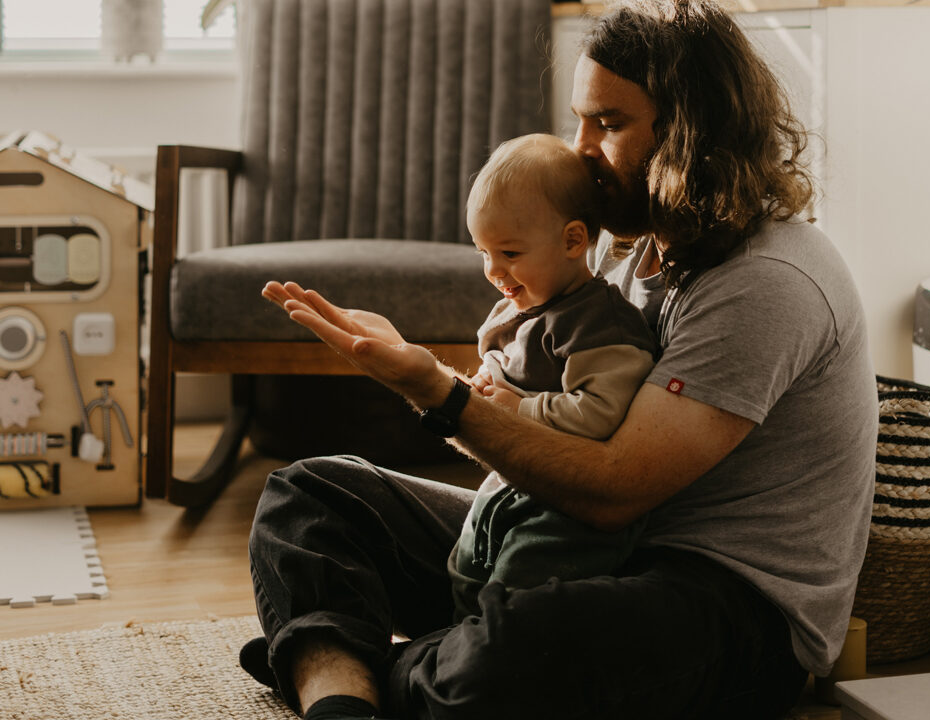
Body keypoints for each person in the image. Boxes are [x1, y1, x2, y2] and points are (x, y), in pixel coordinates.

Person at [243, 1, 878, 719]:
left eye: (607, 124)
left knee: (516, 648)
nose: (578, 149)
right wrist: (434, 374)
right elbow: (542, 419)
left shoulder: (767, 279)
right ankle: (354, 698)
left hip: (723, 600)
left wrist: (442, 400)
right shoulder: (626, 243)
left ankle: (348, 667)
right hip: (575, 544)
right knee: (312, 497)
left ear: (692, 133)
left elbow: (613, 490)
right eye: (579, 118)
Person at [450, 132, 658, 620]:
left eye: (510, 253)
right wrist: (486, 381)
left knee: (519, 592)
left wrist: (517, 408)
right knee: (464, 569)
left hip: (568, 515)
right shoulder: (521, 307)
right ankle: (451, 645)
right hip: (510, 487)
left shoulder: (600, 323)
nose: (494, 270)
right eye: (483, 252)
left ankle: (479, 658)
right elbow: (502, 364)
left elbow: (601, 411)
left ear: (572, 240)